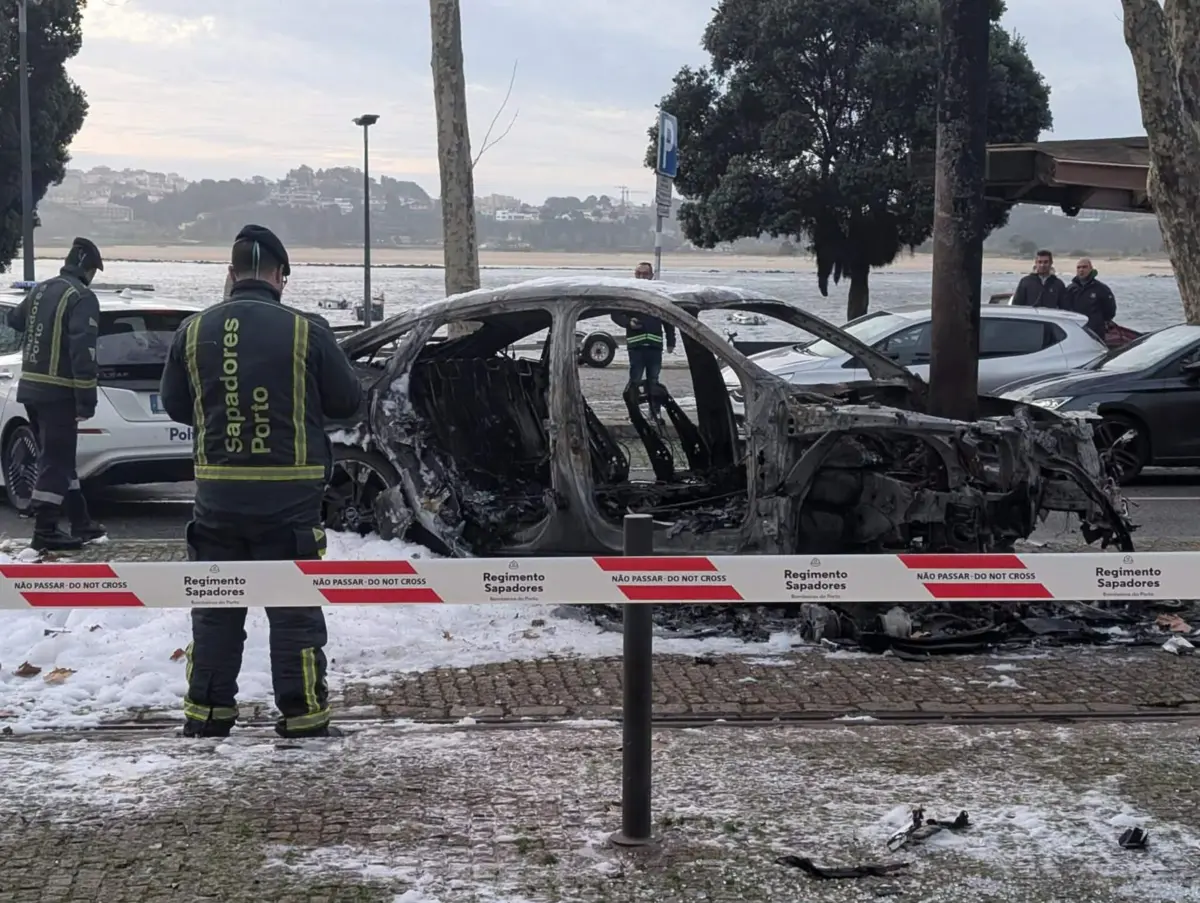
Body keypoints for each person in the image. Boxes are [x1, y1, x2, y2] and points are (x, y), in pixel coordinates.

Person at [159, 225, 363, 740]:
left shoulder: (192, 330)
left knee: (215, 610)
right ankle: (303, 717)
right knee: (294, 612)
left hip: (216, 501)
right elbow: (348, 402)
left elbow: (178, 405)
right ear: (280, 277)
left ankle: (206, 717)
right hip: (289, 503)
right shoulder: (307, 331)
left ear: (229, 275)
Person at [6, 238, 107, 551]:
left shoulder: (41, 289)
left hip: (30, 389)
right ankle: (45, 529)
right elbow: (83, 351)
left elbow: (14, 320)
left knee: (59, 457)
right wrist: (86, 399)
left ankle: (81, 521)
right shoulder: (82, 297)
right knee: (56, 460)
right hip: (59, 391)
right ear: (89, 269)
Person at [611, 262, 676, 421]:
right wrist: (628, 322)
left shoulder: (658, 294)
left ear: (651, 275)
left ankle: (654, 413)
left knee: (653, 380)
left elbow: (669, 318)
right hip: (636, 346)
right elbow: (615, 313)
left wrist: (671, 341)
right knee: (635, 380)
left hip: (655, 346)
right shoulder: (629, 294)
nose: (641, 277)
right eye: (638, 273)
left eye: (645, 274)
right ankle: (634, 414)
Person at [1064, 258, 1118, 337]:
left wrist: (1100, 321)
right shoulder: (1070, 289)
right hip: (1075, 330)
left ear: (1091, 269)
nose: (1081, 270)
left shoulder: (1101, 289)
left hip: (1095, 331)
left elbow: (1110, 310)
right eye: (1079, 267)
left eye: (1084, 267)